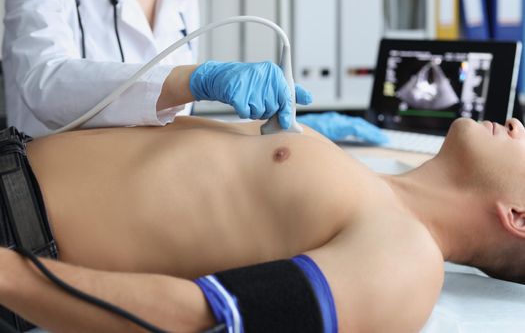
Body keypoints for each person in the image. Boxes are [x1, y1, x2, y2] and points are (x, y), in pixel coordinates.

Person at [0, 115, 524, 333]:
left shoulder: (407, 262)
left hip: (13, 237)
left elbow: (201, 317)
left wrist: (9, 275)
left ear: (519, 218)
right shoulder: (368, 180)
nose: (520, 124)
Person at [2, 0, 311, 137]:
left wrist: (258, 128)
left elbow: (173, 120)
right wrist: (195, 79)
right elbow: (45, 85)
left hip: (153, 184)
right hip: (54, 194)